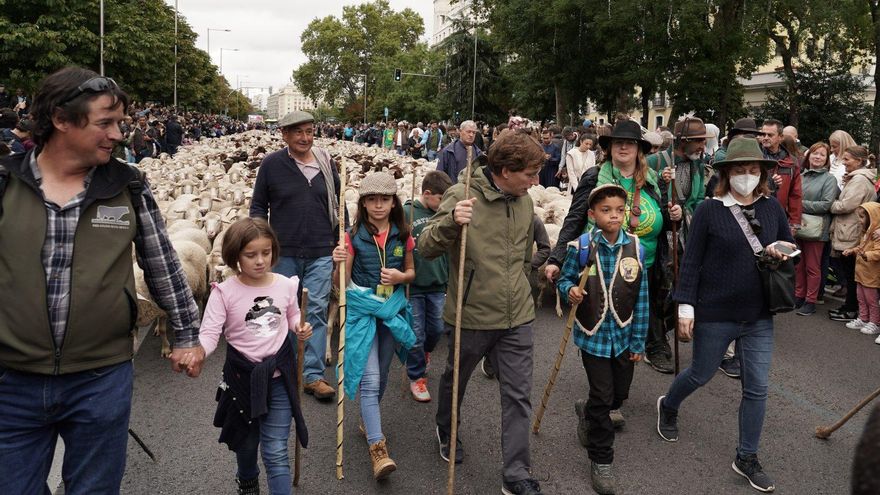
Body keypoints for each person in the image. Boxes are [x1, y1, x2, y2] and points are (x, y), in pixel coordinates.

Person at [0, 67, 203, 494]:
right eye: (105, 123)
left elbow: (162, 263)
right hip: (12, 378)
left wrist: (186, 335)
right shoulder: (5, 182)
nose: (117, 135)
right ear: (61, 119)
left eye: (121, 124)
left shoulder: (127, 186)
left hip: (99, 377)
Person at [656, 137, 797, 493]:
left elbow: (788, 242)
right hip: (716, 312)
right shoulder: (709, 210)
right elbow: (691, 262)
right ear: (725, 173)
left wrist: (780, 251)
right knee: (700, 374)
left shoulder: (772, 207)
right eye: (739, 170)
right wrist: (685, 307)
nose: (746, 176)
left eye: (753, 170)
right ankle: (668, 404)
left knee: (758, 388)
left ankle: (746, 456)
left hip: (758, 314)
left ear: (762, 173)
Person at [419, 130, 546, 495]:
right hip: (471, 314)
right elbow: (426, 247)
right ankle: (447, 429)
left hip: (516, 316)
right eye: (529, 174)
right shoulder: (462, 196)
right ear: (505, 170)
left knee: (518, 395)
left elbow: (524, 254)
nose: (536, 182)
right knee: (456, 379)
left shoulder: (524, 201)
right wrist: (449, 221)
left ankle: (516, 475)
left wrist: (528, 287)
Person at [546, 119, 683, 376]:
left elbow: (664, 220)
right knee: (606, 312)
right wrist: (556, 257)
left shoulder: (653, 180)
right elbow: (575, 218)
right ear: (609, 148)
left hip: (647, 261)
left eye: (630, 143)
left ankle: (649, 348)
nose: (623, 147)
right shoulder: (595, 177)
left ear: (638, 149)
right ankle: (602, 372)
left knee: (647, 308)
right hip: (603, 261)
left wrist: (675, 214)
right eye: (618, 142)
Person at [195, 218, 312, 495]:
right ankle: (247, 480)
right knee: (246, 445)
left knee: (275, 450)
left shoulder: (284, 284)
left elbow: (293, 313)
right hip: (241, 379)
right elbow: (210, 333)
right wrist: (198, 352)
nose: (260, 260)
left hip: (279, 376)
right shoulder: (224, 293)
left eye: (266, 252)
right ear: (235, 256)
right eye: (251, 255)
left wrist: (299, 326)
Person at [557, 184, 648, 495]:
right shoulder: (581, 247)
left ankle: (589, 409)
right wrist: (569, 290)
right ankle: (601, 459)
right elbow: (565, 279)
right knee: (603, 394)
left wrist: (639, 342)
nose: (614, 216)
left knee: (617, 397)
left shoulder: (636, 248)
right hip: (594, 338)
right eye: (606, 210)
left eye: (619, 210)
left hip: (623, 336)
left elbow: (642, 299)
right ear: (592, 214)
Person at [251, 110, 344, 402]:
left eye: (309, 131)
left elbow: (338, 205)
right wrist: (259, 241)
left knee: (315, 309)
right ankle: (286, 368)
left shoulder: (326, 164)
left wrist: (342, 241)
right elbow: (258, 206)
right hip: (284, 251)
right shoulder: (271, 165)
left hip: (320, 250)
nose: (305, 138)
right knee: (283, 310)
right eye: (298, 132)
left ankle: (312, 375)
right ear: (285, 135)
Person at [331, 172, 416, 480]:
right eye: (371, 200)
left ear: (393, 202)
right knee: (370, 379)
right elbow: (339, 286)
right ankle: (378, 450)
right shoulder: (351, 237)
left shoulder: (403, 233)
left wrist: (400, 278)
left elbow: (411, 272)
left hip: (391, 311)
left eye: (384, 199)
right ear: (363, 204)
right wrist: (338, 262)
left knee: (381, 377)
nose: (378, 205)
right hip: (362, 313)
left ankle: (369, 419)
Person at [404, 170, 453, 402]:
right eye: (441, 199)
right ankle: (416, 377)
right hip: (413, 285)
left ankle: (425, 353)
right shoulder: (407, 213)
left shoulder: (444, 214)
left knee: (435, 329)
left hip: (437, 283)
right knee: (415, 334)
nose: (444, 204)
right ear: (427, 194)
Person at [828, 146, 877, 322]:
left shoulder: (859, 181)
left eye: (847, 159)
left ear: (858, 161)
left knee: (851, 274)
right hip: (849, 229)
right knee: (850, 273)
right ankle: (851, 307)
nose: (844, 162)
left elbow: (846, 205)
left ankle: (852, 309)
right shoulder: (857, 179)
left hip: (850, 231)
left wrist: (830, 204)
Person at [793, 143, 840, 316]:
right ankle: (799, 295)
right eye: (814, 153)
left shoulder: (829, 179)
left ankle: (810, 301)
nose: (817, 157)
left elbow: (826, 205)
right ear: (808, 156)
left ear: (827, 159)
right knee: (799, 265)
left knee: (813, 267)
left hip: (817, 229)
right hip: (799, 226)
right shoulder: (802, 175)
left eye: (822, 155)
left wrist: (799, 205)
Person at [843, 203, 880, 338]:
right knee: (861, 298)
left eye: (863, 217)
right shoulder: (866, 234)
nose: (860, 220)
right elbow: (861, 247)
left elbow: (878, 252)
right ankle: (863, 318)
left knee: (872, 300)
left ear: (873, 218)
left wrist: (867, 255)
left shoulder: (876, 236)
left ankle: (874, 322)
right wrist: (852, 250)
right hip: (861, 273)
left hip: (871, 275)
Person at [760, 119, 803, 234]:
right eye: (763, 134)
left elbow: (795, 194)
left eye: (770, 135)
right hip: (756, 215)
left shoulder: (791, 162)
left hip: (781, 217)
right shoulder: (755, 158)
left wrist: (794, 223)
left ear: (780, 137)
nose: (765, 137)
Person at [437, 120, 482, 184]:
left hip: (472, 191)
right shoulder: (448, 151)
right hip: (453, 191)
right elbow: (439, 175)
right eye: (468, 132)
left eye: (474, 133)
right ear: (460, 132)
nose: (471, 135)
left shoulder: (479, 153)